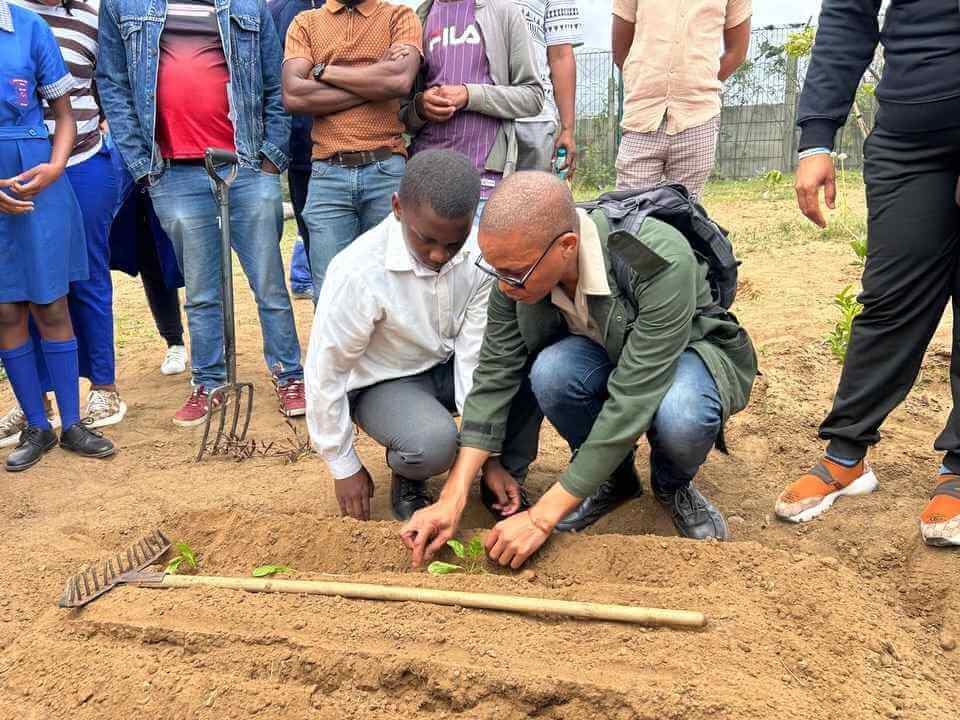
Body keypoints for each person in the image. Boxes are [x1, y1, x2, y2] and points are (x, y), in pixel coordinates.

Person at [400, 171, 757, 569]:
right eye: (494, 269)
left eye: (514, 273)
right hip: (604, 351)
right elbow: (494, 376)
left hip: (685, 353)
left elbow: (633, 396)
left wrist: (541, 517)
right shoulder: (515, 271)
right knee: (551, 372)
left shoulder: (654, 259)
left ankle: (673, 485)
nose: (503, 286)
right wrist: (452, 497)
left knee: (683, 413)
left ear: (567, 247)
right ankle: (614, 480)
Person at [775, 1, 960, 548]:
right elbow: (848, 17)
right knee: (889, 299)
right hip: (910, 139)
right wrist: (815, 138)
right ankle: (846, 455)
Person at [98, 0, 308, 426]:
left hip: (247, 166)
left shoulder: (249, 5)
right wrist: (143, 165)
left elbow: (274, 80)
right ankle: (209, 381)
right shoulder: (124, 5)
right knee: (200, 290)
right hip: (173, 172)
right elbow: (113, 84)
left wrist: (270, 157)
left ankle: (290, 374)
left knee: (268, 283)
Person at [305, 149, 494, 521]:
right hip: (384, 381)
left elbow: (476, 359)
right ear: (397, 208)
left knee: (515, 377)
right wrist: (343, 465)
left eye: (452, 243)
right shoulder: (358, 272)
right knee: (432, 444)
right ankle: (410, 472)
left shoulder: (479, 255)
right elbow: (327, 369)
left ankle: (503, 473)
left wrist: (485, 457)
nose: (439, 255)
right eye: (426, 240)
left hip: (446, 364)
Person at [0, 0, 126, 449]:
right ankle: (37, 420)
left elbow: (72, 106)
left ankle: (79, 416)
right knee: (7, 307)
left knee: (57, 296)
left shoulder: (30, 26)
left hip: (48, 168)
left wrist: (55, 166)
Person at [281, 0, 423, 294]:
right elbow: (294, 96)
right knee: (332, 294)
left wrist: (323, 71)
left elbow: (399, 80)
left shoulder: (400, 16)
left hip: (387, 170)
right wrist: (375, 79)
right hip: (327, 174)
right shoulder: (305, 23)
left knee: (394, 293)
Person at [403, 0, 543, 217]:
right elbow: (402, 114)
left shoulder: (503, 12)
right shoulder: (419, 17)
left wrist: (470, 95)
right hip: (425, 184)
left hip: (483, 186)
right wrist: (420, 107)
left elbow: (532, 96)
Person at [611, 0, 751, 199]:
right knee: (628, 210)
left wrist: (698, 82)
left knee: (685, 212)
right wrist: (645, 83)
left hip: (698, 115)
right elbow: (620, 50)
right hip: (642, 115)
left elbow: (736, 52)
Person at [270, 0, 323, 300]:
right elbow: (278, 87)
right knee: (318, 254)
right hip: (303, 156)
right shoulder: (279, 11)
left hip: (362, 149)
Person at [512, 0, 582, 176]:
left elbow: (560, 55)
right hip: (478, 110)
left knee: (534, 198)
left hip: (534, 118)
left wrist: (567, 129)